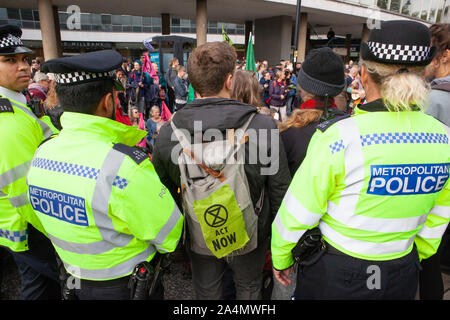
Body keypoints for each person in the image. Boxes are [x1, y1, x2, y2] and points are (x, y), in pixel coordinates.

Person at [271, 20, 450, 300]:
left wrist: (280, 258)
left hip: (336, 273)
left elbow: (296, 212)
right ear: (423, 73)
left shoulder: (340, 137)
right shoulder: (445, 139)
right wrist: (415, 251)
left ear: (364, 74)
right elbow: (440, 214)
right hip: (400, 270)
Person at [28, 50, 183, 300]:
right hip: (125, 286)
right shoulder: (123, 165)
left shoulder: (41, 153)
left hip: (71, 277)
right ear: (108, 102)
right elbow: (169, 234)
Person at [152, 41, 291, 300]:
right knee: (249, 289)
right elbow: (280, 191)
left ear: (192, 84)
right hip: (252, 232)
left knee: (206, 292)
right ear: (230, 80)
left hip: (199, 230)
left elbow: (162, 194)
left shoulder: (168, 133)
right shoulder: (263, 127)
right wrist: (281, 245)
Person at [0, 24, 60, 300]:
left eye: (24, 59)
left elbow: (44, 135)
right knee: (45, 287)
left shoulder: (18, 102)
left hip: (22, 226)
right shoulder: (6, 120)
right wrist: (59, 231)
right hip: (29, 227)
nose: (23, 67)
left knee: (40, 287)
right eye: (9, 60)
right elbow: (24, 194)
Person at [419, 22, 450, 300]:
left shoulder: (435, 98)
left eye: (430, 53)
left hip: (436, 198)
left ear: (445, 56)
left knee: (428, 262)